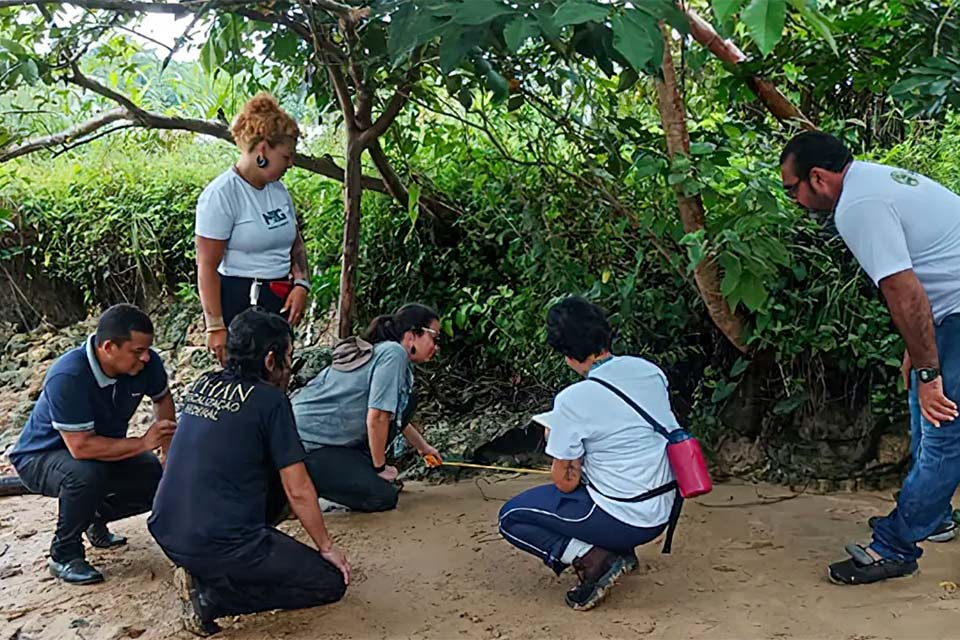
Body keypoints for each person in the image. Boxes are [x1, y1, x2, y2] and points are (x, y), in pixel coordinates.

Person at [780, 131, 960, 585]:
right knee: (924, 413)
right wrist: (919, 351)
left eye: (792, 189)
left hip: (956, 312)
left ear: (817, 178)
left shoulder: (859, 205)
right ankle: (934, 515)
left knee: (943, 432)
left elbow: (903, 291)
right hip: (948, 312)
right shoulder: (872, 181)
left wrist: (929, 370)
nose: (794, 201)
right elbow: (920, 278)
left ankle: (894, 548)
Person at [148, 309, 350, 637]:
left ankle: (210, 569)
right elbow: (297, 488)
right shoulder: (271, 401)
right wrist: (326, 547)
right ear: (270, 360)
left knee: (271, 472)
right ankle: (211, 599)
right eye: (288, 357)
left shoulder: (203, 383)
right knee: (328, 583)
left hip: (167, 528)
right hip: (216, 540)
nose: (289, 367)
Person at [498, 297, 680, 611]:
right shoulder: (649, 371)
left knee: (511, 517)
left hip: (626, 516)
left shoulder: (573, 399)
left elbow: (565, 482)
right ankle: (618, 549)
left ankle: (594, 558)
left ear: (566, 353)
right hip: (663, 507)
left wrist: (556, 439)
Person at [8, 304, 175, 585]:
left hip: (98, 448)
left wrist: (168, 452)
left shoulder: (145, 363)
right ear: (108, 347)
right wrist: (143, 443)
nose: (146, 357)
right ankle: (64, 553)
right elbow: (81, 447)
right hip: (42, 456)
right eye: (137, 351)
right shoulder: (69, 375)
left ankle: (94, 517)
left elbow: (162, 397)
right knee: (86, 474)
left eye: (147, 349)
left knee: (156, 476)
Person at [292, 303, 443, 512]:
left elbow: (394, 413)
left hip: (332, 442)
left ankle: (351, 475)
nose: (436, 346)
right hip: (308, 444)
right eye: (435, 338)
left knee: (410, 400)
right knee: (382, 497)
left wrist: (424, 448)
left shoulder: (390, 355)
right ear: (411, 335)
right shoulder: (393, 353)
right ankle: (308, 485)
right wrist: (380, 468)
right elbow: (378, 417)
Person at [195, 92, 311, 364]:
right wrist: (215, 325)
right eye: (286, 156)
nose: (290, 164)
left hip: (278, 299)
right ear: (263, 151)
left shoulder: (279, 191)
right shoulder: (222, 195)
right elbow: (206, 265)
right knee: (248, 376)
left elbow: (296, 244)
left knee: (279, 371)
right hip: (241, 301)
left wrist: (301, 284)